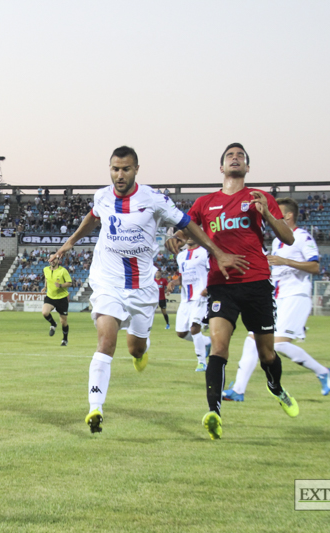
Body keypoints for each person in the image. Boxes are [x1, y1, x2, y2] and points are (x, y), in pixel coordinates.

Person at [52, 146, 241, 435]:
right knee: (106, 341)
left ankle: (143, 348)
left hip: (141, 287)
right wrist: (69, 243)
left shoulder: (153, 200)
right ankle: (95, 407)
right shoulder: (102, 196)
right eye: (115, 168)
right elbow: (92, 218)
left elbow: (189, 223)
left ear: (136, 169)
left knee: (135, 348)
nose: (119, 174)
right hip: (107, 281)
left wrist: (216, 251)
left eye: (126, 169)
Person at [168, 142, 297, 440]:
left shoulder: (260, 197)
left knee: (267, 354)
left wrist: (268, 215)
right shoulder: (204, 202)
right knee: (219, 346)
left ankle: (275, 387)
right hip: (221, 284)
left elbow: (288, 238)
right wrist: (174, 236)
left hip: (256, 283)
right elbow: (186, 229)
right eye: (230, 156)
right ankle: (214, 412)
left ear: (247, 167)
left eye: (240, 156)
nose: (235, 158)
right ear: (221, 167)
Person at [223, 198, 330, 401]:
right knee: (252, 340)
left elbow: (315, 267)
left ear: (289, 216)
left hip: (296, 296)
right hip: (277, 297)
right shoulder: (276, 241)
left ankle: (323, 371)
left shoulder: (302, 237)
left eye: (277, 212)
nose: (271, 215)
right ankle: (238, 390)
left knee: (277, 344)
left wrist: (285, 261)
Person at [167, 238, 212, 372]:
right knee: (181, 333)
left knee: (194, 328)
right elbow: (184, 276)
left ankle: (202, 362)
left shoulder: (205, 252)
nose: (188, 237)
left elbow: (212, 272)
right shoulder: (181, 256)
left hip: (201, 297)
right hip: (185, 299)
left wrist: (209, 288)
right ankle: (206, 342)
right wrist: (173, 283)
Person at [41, 256, 72, 346]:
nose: (52, 260)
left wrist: (61, 285)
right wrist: (45, 287)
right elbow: (46, 278)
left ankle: (65, 339)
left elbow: (69, 283)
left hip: (62, 298)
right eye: (51, 259)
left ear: (58, 260)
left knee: (63, 322)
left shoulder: (63, 271)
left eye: (54, 258)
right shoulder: (46, 269)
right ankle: (53, 324)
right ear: (48, 261)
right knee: (45, 312)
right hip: (50, 297)